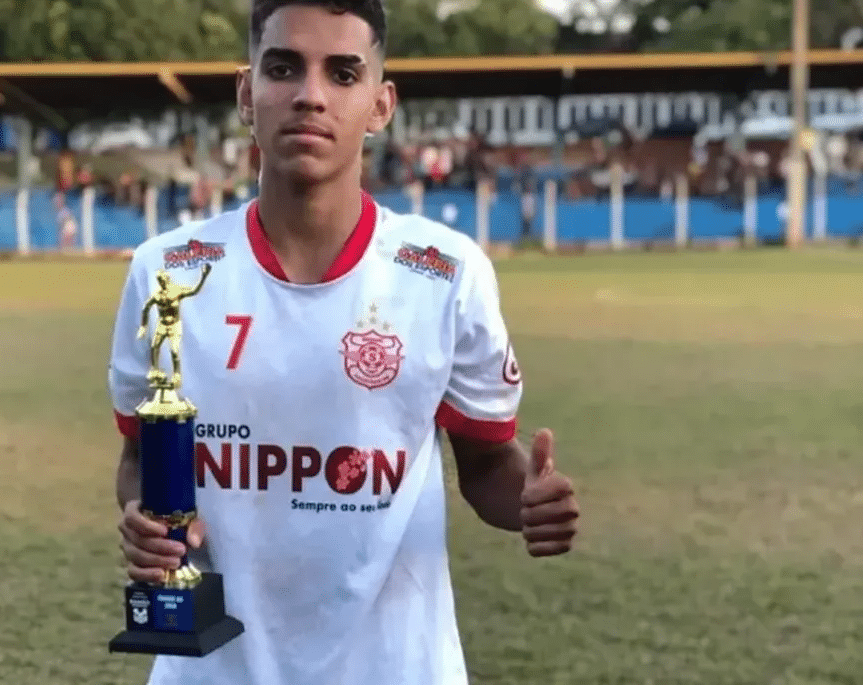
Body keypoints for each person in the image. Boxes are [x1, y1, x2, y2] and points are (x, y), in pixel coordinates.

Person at [108, 2, 580, 684]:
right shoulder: (167, 273)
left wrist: (528, 501)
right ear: (246, 93)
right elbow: (138, 456)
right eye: (283, 68)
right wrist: (146, 513)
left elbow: (486, 468)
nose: (310, 95)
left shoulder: (445, 274)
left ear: (381, 104)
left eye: (343, 73)